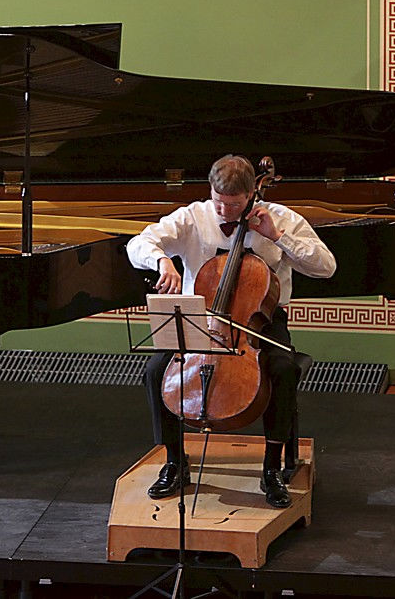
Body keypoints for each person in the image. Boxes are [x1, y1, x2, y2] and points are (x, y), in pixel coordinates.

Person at [126, 154, 336, 508]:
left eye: (234, 204)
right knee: (155, 371)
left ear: (253, 193)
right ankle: (175, 461)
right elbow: (138, 244)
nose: (223, 211)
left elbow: (326, 267)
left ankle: (271, 468)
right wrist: (161, 260)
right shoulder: (194, 216)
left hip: (260, 323)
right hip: (203, 319)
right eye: (218, 201)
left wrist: (278, 237)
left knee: (282, 371)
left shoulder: (281, 218)